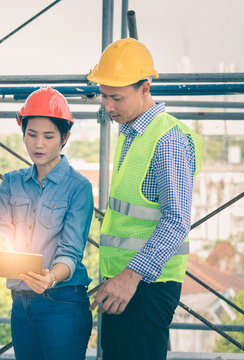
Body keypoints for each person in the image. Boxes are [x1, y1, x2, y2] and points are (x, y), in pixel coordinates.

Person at [87, 38, 203, 360]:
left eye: (116, 97)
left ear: (145, 88)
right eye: (104, 96)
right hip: (125, 281)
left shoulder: (167, 140)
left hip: (146, 285)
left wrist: (129, 277)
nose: (108, 106)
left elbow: (177, 222)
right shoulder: (132, 132)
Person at [0, 87, 94, 360]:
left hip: (63, 303)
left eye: (48, 136)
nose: (38, 144)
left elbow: (71, 251)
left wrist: (51, 276)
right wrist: (0, 248)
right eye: (31, 135)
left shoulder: (78, 188)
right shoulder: (12, 182)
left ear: (65, 137)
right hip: (21, 303)